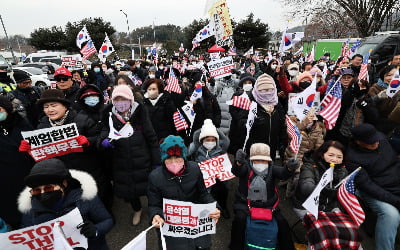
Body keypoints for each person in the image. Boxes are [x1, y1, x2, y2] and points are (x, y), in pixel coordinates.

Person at [18, 158, 113, 250]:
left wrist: (96, 230)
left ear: (64, 183)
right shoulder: (30, 209)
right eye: (37, 190)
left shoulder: (85, 197)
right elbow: (27, 236)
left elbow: (107, 220)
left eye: (48, 188)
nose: (42, 193)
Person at [99, 85, 160, 225]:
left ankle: (155, 211)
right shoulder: (108, 114)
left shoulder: (140, 112)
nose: (120, 102)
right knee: (130, 191)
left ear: (130, 100)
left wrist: (156, 161)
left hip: (142, 159)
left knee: (150, 189)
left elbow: (152, 138)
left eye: (124, 99)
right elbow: (103, 132)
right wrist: (104, 141)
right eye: (117, 99)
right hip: (121, 162)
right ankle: (137, 210)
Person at [148, 135, 220, 250]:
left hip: (195, 220)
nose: (174, 162)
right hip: (171, 225)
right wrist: (155, 215)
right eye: (169, 159)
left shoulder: (195, 169)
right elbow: (154, 205)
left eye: (177, 158)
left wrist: (214, 207)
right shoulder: (155, 177)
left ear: (184, 157)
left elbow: (203, 193)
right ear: (163, 159)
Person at [230, 143, 298, 250]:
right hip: (245, 203)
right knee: (240, 220)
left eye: (263, 160)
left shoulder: (272, 168)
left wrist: (289, 168)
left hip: (269, 205)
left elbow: (283, 173)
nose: (260, 163)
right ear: (251, 159)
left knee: (282, 222)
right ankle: (235, 246)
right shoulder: (246, 167)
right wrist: (238, 163)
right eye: (257, 160)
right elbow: (236, 171)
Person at [346, 123, 400, 250]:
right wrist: (395, 201)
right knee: (391, 215)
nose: (376, 144)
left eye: (376, 140)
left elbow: (394, 161)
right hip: (374, 190)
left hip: (395, 180)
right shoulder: (352, 159)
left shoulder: (380, 139)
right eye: (371, 143)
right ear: (358, 142)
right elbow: (368, 186)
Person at [0, 96, 34, 229]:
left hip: (27, 174)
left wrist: (29, 148)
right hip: (5, 180)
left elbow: (35, 141)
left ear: (7, 109)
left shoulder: (21, 123)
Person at [293, 140, 348, 218]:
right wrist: (323, 188)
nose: (335, 159)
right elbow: (305, 188)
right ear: (322, 155)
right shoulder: (309, 166)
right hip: (306, 206)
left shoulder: (343, 171)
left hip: (330, 206)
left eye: (339, 157)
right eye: (331, 155)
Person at [188, 119, 231, 218]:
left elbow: (225, 166)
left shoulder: (221, 151)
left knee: (223, 190)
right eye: (207, 140)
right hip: (202, 180)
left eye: (213, 140)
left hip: (218, 180)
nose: (210, 142)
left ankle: (222, 207)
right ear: (202, 140)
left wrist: (215, 129)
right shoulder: (197, 151)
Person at [245, 73, 287, 161]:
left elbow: (282, 123)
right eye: (263, 90)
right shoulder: (250, 103)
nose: (267, 92)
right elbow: (241, 123)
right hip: (255, 147)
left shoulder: (277, 104)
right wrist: (254, 123)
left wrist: (282, 141)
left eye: (269, 89)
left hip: (272, 146)